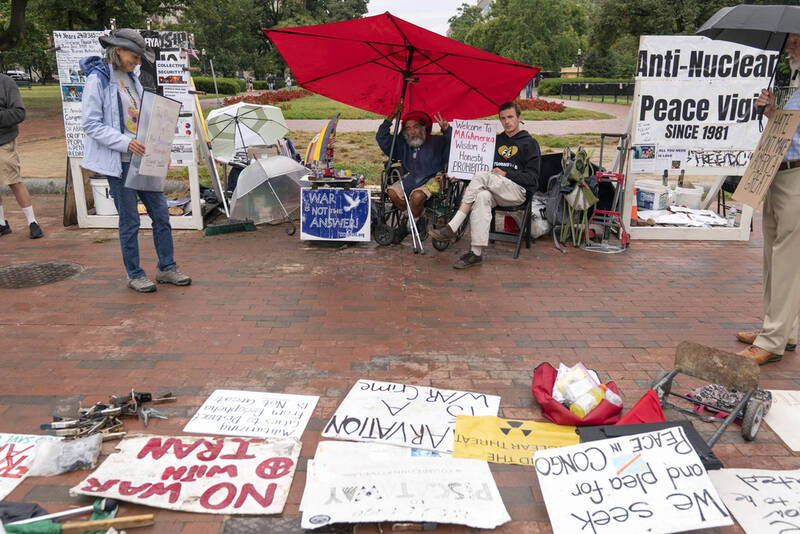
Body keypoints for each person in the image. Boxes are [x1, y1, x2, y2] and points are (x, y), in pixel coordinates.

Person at [80, 28, 191, 293]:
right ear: (118, 50)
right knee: (129, 221)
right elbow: (91, 124)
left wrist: (159, 148)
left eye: (140, 58)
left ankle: (167, 267)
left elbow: (143, 118)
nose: (138, 61)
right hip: (120, 162)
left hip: (143, 159)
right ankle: (135, 273)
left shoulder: (132, 79)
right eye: (135, 56)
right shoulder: (99, 79)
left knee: (161, 215)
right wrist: (124, 142)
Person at [735, 32, 800, 365]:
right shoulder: (796, 80)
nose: (790, 47)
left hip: (796, 176)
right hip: (780, 171)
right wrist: (771, 112)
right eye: (790, 40)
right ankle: (781, 331)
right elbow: (790, 131)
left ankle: (773, 339)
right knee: (774, 255)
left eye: (797, 41)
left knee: (788, 258)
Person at [430, 101, 540, 269]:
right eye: (503, 118)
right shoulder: (495, 141)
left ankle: (453, 226)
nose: (507, 121)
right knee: (482, 196)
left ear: (519, 117)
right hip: (494, 190)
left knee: (483, 176)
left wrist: (506, 173)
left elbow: (533, 179)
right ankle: (476, 253)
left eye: (510, 117)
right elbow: (474, 156)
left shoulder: (529, 143)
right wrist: (460, 175)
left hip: (518, 192)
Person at [376, 104, 451, 242]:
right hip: (409, 179)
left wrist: (447, 130)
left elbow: (454, 146)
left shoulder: (437, 141)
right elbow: (382, 138)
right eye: (408, 128)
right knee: (391, 192)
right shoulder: (402, 143)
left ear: (424, 128)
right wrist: (391, 117)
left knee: (416, 197)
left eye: (416, 126)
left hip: (431, 180)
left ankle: (408, 224)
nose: (412, 131)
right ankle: (417, 218)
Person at [0, 72, 43, 239]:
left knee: (14, 180)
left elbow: (19, 112)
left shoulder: (6, 82)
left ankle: (32, 222)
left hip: (4, 141)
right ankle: (2, 223)